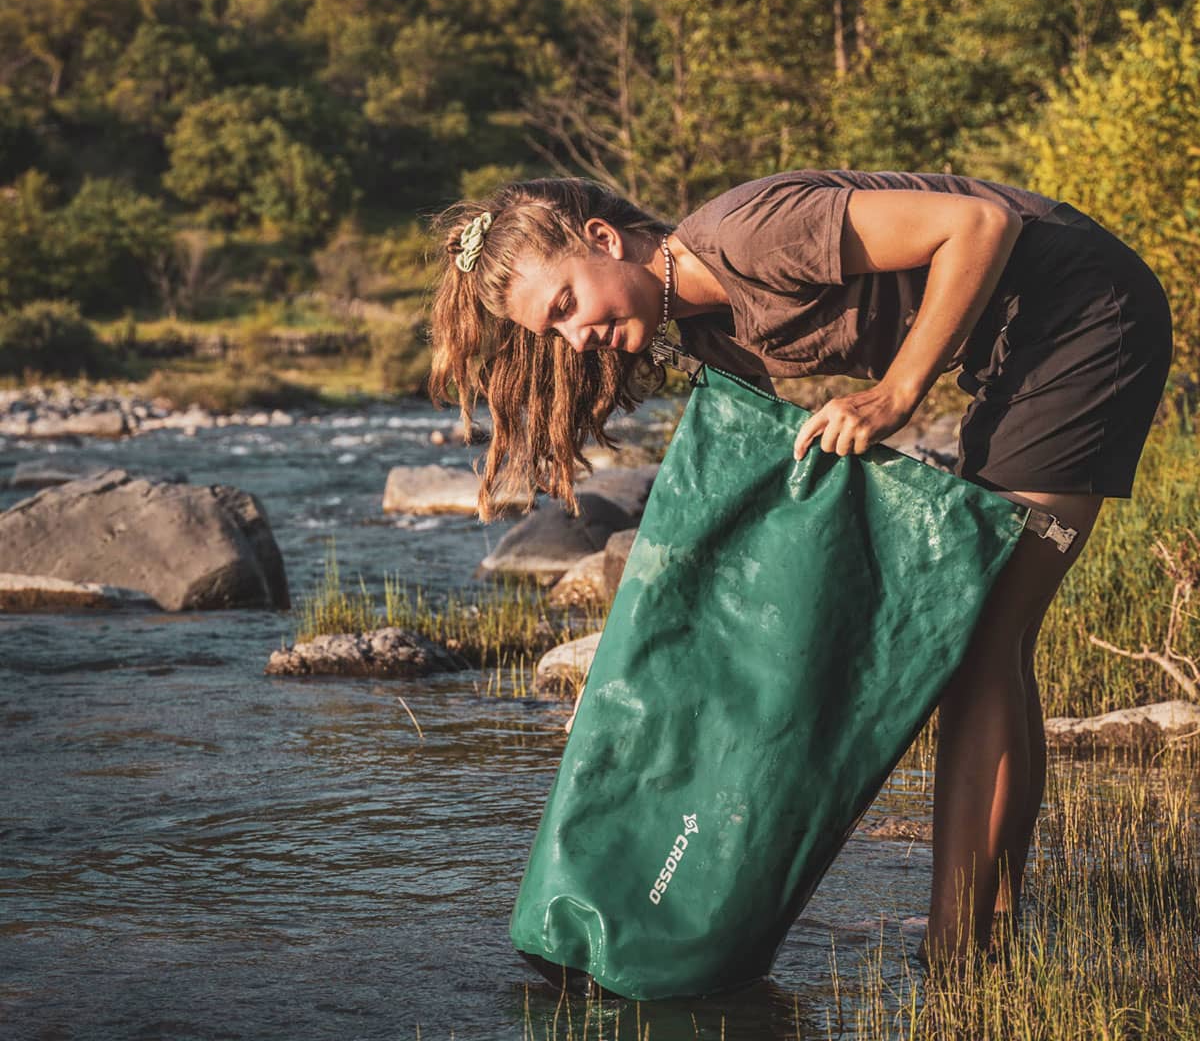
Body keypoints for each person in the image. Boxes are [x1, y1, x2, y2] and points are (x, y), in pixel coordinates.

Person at [427, 171, 1172, 970]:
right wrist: (635, 673)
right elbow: (744, 508)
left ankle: (967, 953)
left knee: (982, 639)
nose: (574, 340)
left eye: (567, 304)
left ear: (604, 241)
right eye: (553, 333)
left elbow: (979, 225)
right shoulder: (700, 326)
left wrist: (893, 397)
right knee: (994, 643)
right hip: (1011, 351)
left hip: (1083, 316)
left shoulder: (747, 236)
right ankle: (984, 937)